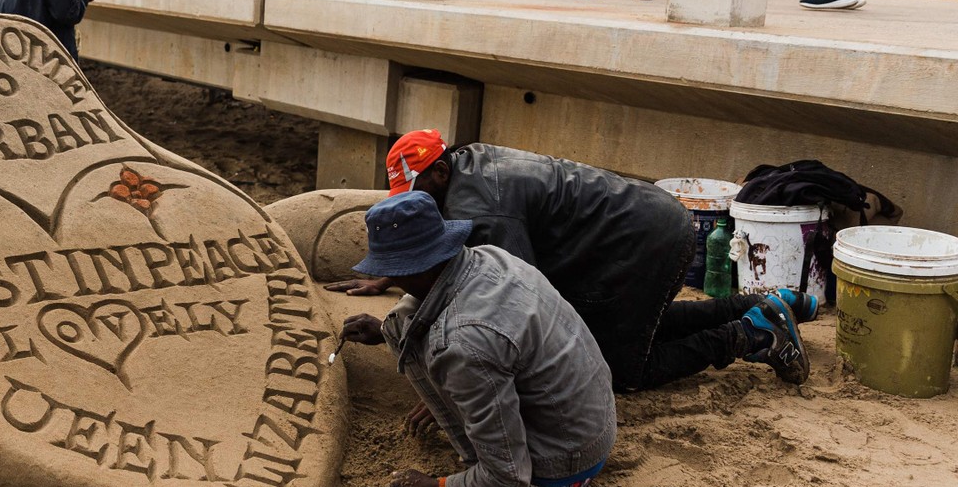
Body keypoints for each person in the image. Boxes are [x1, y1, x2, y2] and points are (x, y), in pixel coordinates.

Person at [328, 131, 815, 391]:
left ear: (437, 171)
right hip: (643, 225)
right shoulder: (468, 161)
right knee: (643, 323)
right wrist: (395, 270)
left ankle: (753, 335)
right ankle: (767, 302)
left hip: (639, 244)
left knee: (623, 370)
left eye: (417, 191)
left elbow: (512, 296)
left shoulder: (485, 209)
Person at [338, 192, 617, 487]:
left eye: (391, 270)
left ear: (410, 269)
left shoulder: (463, 344)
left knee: (500, 479)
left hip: (565, 467)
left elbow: (507, 476)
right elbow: (433, 305)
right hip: (594, 423)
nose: (389, 279)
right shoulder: (488, 258)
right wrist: (388, 330)